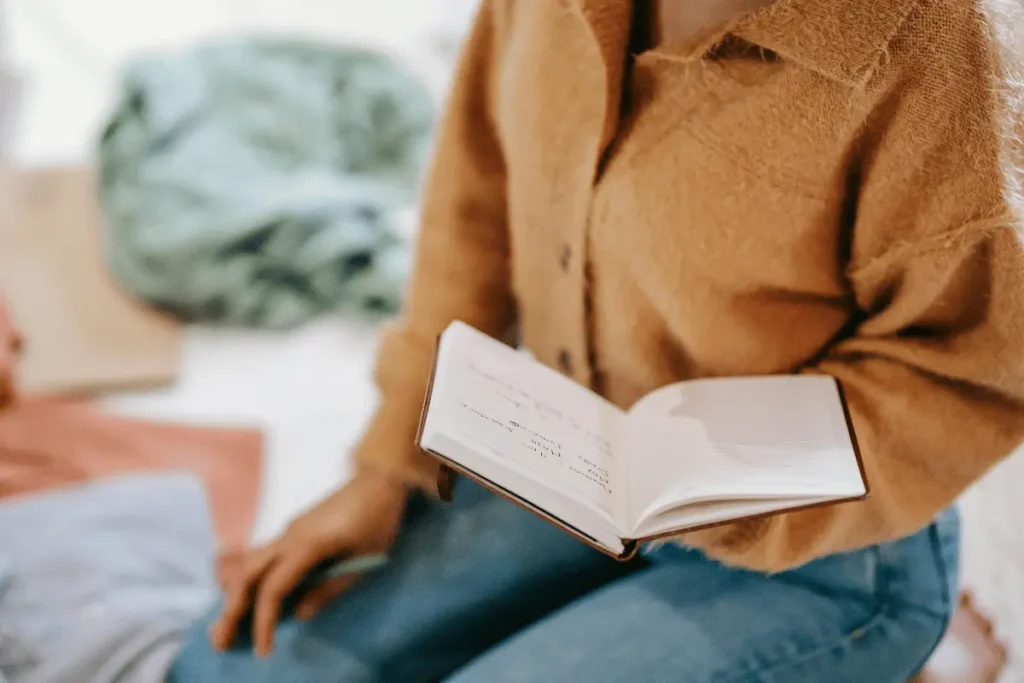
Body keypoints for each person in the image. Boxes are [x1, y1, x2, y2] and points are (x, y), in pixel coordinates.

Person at [168, 0, 1024, 680]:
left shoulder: (945, 60)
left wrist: (718, 486)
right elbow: (478, 185)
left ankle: (915, 652)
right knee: (224, 668)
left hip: (830, 553)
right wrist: (388, 460)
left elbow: (972, 371)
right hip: (576, 454)